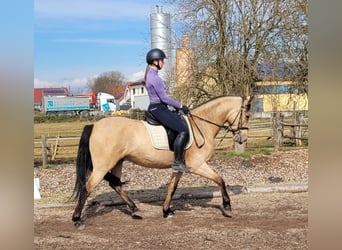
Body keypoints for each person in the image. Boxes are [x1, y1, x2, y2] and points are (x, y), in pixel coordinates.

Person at [144, 48, 191, 173]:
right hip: (158, 108)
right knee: (183, 130)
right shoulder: (155, 78)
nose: (163, 63)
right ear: (155, 61)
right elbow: (164, 98)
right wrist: (180, 106)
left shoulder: (151, 75)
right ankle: (177, 162)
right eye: (162, 60)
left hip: (157, 107)